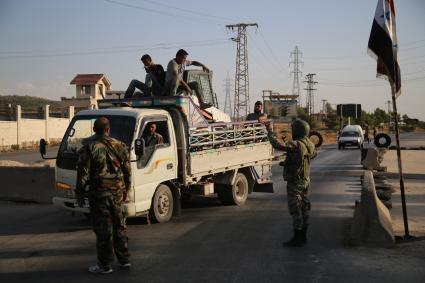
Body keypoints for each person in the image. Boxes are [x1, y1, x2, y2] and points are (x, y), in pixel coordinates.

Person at [75, 117, 132, 274]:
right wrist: (127, 189)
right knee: (120, 225)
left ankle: (105, 265)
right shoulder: (120, 146)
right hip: (118, 193)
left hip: (99, 194)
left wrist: (79, 193)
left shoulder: (90, 148)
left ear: (94, 130)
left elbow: (83, 174)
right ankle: (125, 259)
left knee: (104, 230)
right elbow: (127, 170)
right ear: (108, 129)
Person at [261, 116, 316, 247]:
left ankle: (297, 238)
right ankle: (303, 236)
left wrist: (270, 131)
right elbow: (307, 157)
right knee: (304, 207)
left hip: (295, 182)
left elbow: (277, 145)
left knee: (295, 208)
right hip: (305, 180)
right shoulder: (309, 144)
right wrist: (288, 163)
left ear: (297, 131)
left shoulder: (296, 144)